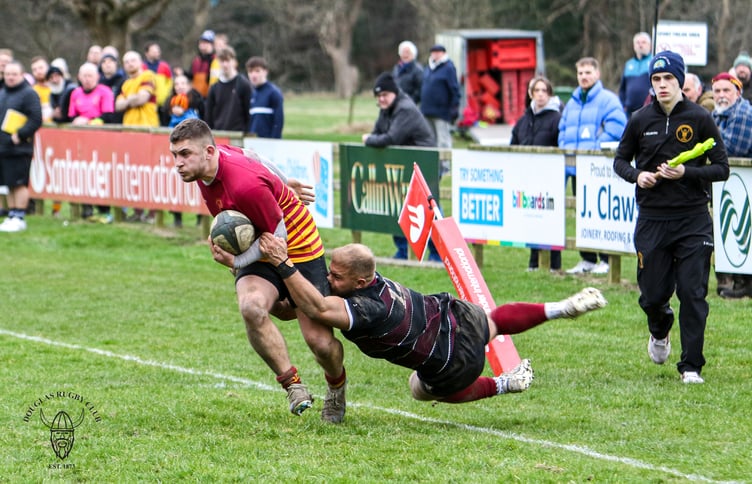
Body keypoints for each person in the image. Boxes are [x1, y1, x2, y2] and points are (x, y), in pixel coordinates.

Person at [258, 236, 606, 403]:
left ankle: (504, 384)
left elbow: (317, 308)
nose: (330, 280)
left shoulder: (366, 310)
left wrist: (282, 264)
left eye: (336, 276)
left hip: (451, 364)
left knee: (418, 389)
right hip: (455, 317)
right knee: (495, 322)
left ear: (361, 282)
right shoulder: (375, 283)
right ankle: (560, 308)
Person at [168, 118, 347, 423]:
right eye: (175, 156)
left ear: (208, 151)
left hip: (297, 245)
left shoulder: (245, 186)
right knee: (251, 307)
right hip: (257, 243)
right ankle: (293, 385)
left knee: (319, 342)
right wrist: (282, 180)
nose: (178, 163)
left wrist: (235, 262)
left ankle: (336, 386)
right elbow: (253, 155)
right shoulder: (207, 164)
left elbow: (278, 239)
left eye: (185, 154)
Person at [613, 51, 729, 384]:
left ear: (680, 81)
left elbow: (722, 168)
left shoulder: (699, 118)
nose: (662, 85)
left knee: (693, 293)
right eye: (656, 79)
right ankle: (659, 329)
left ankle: (691, 365)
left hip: (693, 219)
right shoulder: (639, 119)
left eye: (668, 79)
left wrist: (686, 172)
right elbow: (620, 161)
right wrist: (638, 176)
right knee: (652, 295)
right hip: (651, 219)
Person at [362, 72, 441, 262]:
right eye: (378, 96)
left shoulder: (405, 109)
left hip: (424, 166)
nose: (381, 99)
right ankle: (402, 251)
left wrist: (368, 139)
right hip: (403, 167)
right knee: (397, 207)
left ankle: (437, 253)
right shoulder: (386, 109)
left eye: (385, 95)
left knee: (429, 211)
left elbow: (390, 138)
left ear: (394, 93)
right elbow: (379, 132)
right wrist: (374, 137)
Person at [559, 57, 627, 275]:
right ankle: (587, 258)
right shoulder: (572, 102)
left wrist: (595, 149)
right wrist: (565, 148)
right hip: (575, 168)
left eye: (588, 72)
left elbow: (617, 127)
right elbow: (563, 129)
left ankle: (606, 259)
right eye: (580, 73)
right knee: (581, 213)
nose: (584, 77)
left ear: (597, 74)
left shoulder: (608, 100)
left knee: (601, 213)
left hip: (597, 169)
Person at [511, 76, 563, 272]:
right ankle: (533, 262)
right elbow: (514, 143)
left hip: (550, 178)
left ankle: (554, 264)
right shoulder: (523, 120)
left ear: (549, 94)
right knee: (531, 219)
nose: (540, 94)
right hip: (527, 178)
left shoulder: (556, 118)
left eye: (544, 91)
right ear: (531, 94)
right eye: (537, 90)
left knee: (552, 221)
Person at [710, 72, 752, 299]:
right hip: (730, 183)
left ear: (738, 92)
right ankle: (734, 282)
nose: (721, 95)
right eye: (717, 91)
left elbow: (734, 148)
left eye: (727, 90)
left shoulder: (744, 113)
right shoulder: (718, 115)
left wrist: (709, 140)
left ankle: (744, 283)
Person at [116, 51, 159, 223]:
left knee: (150, 172)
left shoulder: (148, 75)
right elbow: (117, 105)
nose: (129, 63)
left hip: (147, 130)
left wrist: (128, 100)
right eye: (126, 61)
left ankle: (154, 212)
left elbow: (143, 98)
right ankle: (138, 211)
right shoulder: (126, 83)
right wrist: (130, 100)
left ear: (140, 61)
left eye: (133, 60)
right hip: (129, 132)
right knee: (134, 173)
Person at [0, 60, 42, 232]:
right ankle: (11, 215)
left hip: (19, 148)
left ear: (21, 75)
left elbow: (36, 119)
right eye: (7, 74)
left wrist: (21, 134)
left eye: (14, 74)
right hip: (3, 147)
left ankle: (20, 216)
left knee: (19, 183)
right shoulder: (3, 92)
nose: (10, 77)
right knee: (8, 184)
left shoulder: (28, 94)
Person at [420, 44, 460, 175]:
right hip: (427, 110)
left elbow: (454, 89)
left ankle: (445, 166)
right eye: (433, 52)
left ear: (443, 53)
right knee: (430, 140)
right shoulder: (429, 68)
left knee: (443, 141)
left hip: (442, 112)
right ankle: (433, 165)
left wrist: (454, 107)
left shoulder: (448, 67)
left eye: (438, 52)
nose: (435, 55)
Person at [205, 47, 251, 132]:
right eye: (222, 61)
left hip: (238, 135)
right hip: (219, 135)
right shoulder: (214, 88)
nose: (225, 64)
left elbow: (248, 114)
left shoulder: (243, 84)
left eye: (228, 61)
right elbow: (208, 117)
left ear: (234, 62)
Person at [246, 56, 284, 138]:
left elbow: (278, 122)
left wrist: (274, 142)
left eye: (257, 71)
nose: (253, 75)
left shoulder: (274, 92)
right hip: (254, 144)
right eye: (250, 71)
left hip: (268, 144)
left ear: (265, 72)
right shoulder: (252, 94)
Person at [618, 32, 653, 118]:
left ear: (650, 45)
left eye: (643, 42)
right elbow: (622, 88)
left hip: (648, 110)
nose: (640, 45)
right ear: (634, 46)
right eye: (638, 42)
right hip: (630, 112)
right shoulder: (629, 64)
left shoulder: (654, 62)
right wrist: (623, 105)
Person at [142, 41, 173, 122]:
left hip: (163, 104)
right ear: (146, 53)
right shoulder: (142, 67)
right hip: (147, 104)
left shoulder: (165, 66)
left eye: (157, 51)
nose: (156, 53)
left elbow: (170, 83)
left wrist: (167, 98)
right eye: (153, 51)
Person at [187, 29, 216, 98]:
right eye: (201, 42)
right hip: (195, 97)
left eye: (206, 42)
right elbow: (191, 76)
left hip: (209, 97)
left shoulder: (216, 60)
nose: (203, 45)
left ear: (212, 45)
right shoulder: (196, 60)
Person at [392, 40, 423, 104]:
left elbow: (420, 89)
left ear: (413, 54)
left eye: (408, 52)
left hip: (410, 104)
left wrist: (410, 101)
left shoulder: (418, 69)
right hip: (396, 103)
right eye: (403, 52)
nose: (405, 54)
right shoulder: (396, 68)